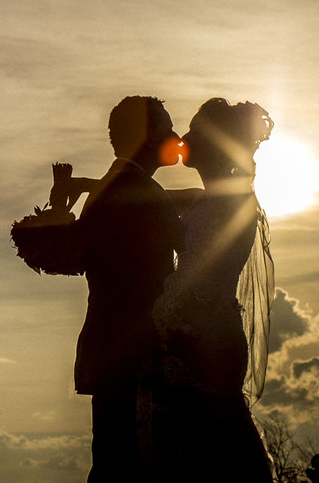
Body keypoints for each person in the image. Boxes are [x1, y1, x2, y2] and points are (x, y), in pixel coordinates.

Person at [59, 95, 183, 482]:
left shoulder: (120, 188)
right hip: (134, 359)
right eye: (166, 126)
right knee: (129, 469)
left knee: (116, 464)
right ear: (145, 136)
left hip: (115, 357)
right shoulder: (131, 192)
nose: (176, 136)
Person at [152, 98, 275, 481]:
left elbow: (199, 277)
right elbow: (152, 200)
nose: (184, 138)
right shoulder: (212, 195)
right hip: (199, 331)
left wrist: (154, 321)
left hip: (206, 338)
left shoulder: (231, 201)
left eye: (193, 132)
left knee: (211, 453)